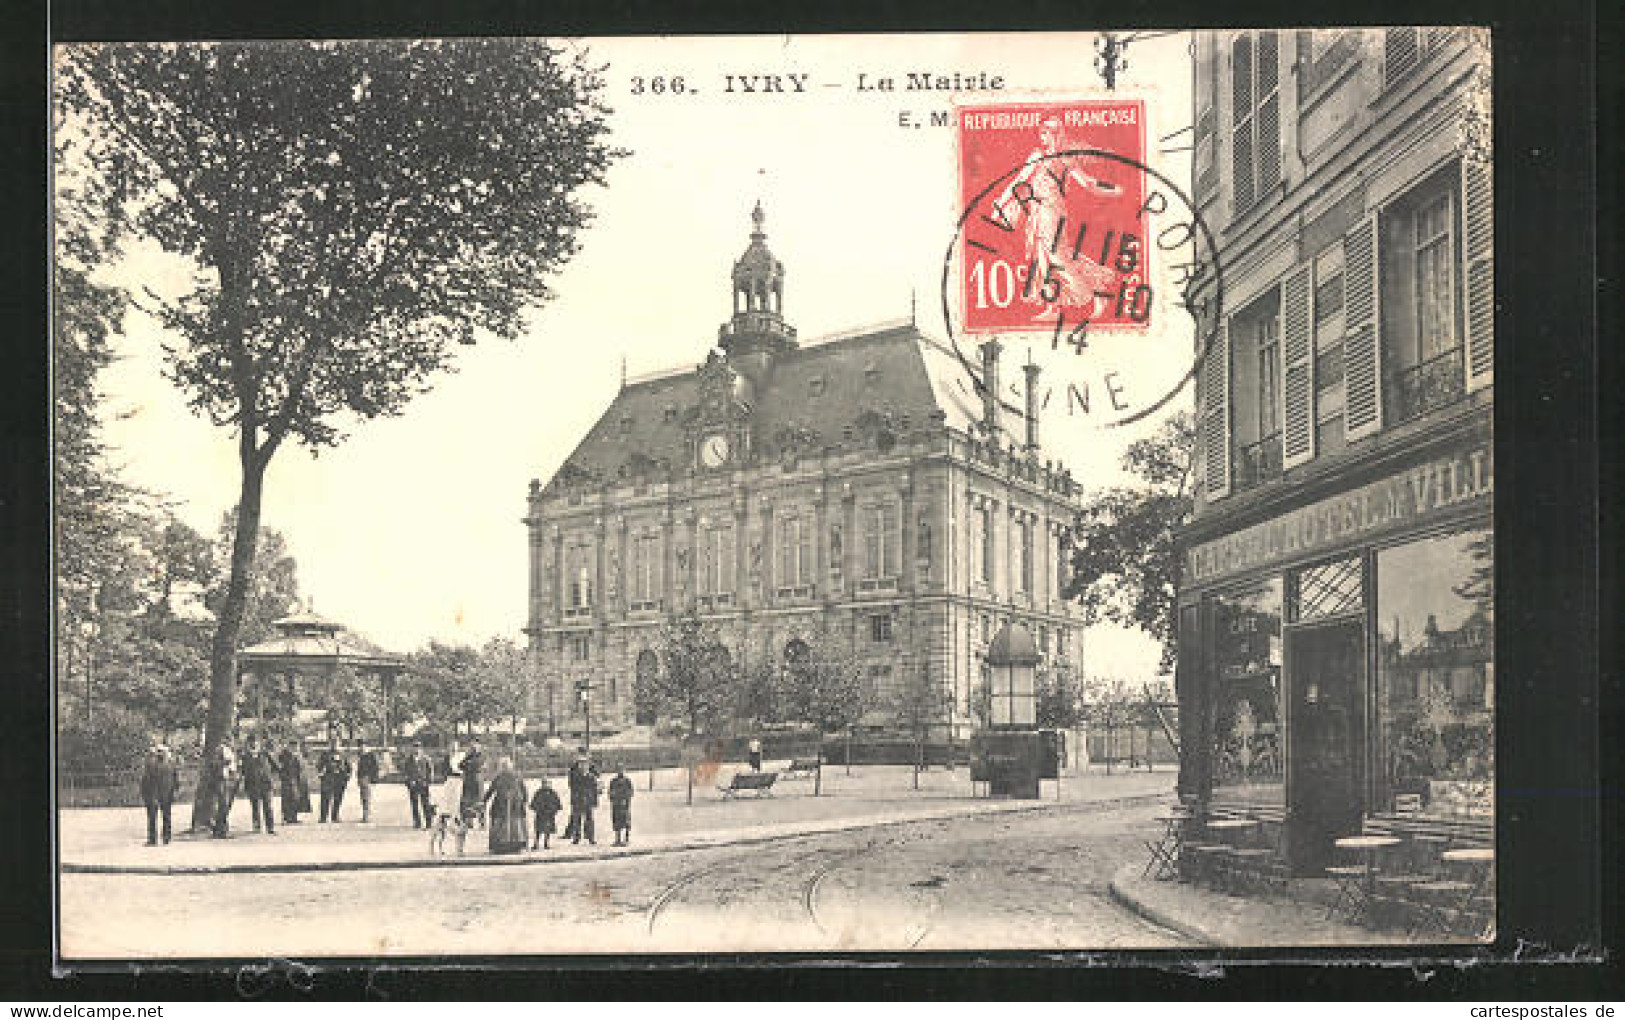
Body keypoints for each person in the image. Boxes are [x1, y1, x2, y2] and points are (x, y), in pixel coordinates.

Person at [482, 758, 529, 855]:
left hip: (510, 805)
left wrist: (484, 800)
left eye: (504, 766)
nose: (504, 768)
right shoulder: (513, 776)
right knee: (511, 824)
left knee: (512, 824)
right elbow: (524, 791)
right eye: (503, 766)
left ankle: (507, 846)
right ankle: (511, 846)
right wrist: (524, 801)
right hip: (507, 805)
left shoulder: (509, 776)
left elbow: (491, 790)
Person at [139, 743, 178, 846]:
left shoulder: (152, 765)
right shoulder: (170, 765)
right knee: (165, 816)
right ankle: (166, 838)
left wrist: (146, 794)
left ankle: (154, 839)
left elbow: (146, 781)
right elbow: (175, 781)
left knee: (154, 817)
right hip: (164, 795)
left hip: (155, 795)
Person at [241, 734, 279, 835]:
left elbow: (276, 767)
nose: (254, 744)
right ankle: (257, 827)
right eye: (251, 743)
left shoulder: (265, 754)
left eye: (256, 742)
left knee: (268, 806)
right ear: (248, 744)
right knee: (255, 806)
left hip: (265, 784)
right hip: (252, 785)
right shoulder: (245, 756)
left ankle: (270, 827)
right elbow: (242, 771)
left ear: (259, 743)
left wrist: (270, 777)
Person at [564, 754, 600, 846]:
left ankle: (591, 837)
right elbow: (572, 786)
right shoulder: (574, 775)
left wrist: (595, 801)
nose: (583, 766)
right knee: (577, 820)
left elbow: (595, 789)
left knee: (589, 819)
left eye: (585, 764)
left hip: (588, 800)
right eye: (581, 764)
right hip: (578, 800)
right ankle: (576, 838)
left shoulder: (591, 777)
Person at [209, 742, 240, 838]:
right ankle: (220, 830)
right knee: (223, 806)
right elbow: (216, 766)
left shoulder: (229, 750)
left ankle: (221, 829)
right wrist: (225, 763)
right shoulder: (220, 751)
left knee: (225, 806)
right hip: (221, 781)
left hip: (228, 780)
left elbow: (232, 766)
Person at [317, 739, 351, 822]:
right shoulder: (325, 754)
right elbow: (319, 765)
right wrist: (321, 774)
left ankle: (335, 816)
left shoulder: (343, 754)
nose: (334, 746)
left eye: (336, 744)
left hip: (339, 779)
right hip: (328, 778)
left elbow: (348, 766)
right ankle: (323, 817)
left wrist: (347, 776)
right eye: (332, 744)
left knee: (338, 798)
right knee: (325, 798)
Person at [403, 741, 434, 829]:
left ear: (421, 749)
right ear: (412, 749)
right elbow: (406, 772)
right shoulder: (408, 760)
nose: (416, 749)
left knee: (426, 804)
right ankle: (417, 822)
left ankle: (429, 822)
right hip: (413, 785)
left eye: (418, 748)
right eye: (415, 747)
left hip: (423, 784)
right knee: (414, 804)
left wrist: (428, 781)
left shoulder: (426, 759)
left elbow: (430, 771)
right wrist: (409, 781)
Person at [458, 740, 487, 827]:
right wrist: (467, 758)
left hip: (477, 782)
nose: (473, 749)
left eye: (475, 747)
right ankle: (469, 821)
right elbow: (460, 765)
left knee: (479, 802)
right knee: (467, 802)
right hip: (468, 781)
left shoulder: (481, 757)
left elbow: (476, 765)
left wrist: (468, 762)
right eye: (472, 747)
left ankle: (482, 822)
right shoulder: (468, 757)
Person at [530, 777, 562, 850]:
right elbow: (534, 804)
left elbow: (557, 804)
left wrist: (553, 810)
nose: (546, 785)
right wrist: (538, 809)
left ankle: (546, 843)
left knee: (547, 831)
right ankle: (536, 843)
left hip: (549, 815)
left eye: (547, 783)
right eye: (544, 783)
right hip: (540, 815)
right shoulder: (538, 793)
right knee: (538, 830)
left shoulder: (553, 793)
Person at [277, 743, 306, 824]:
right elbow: (281, 766)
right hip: (288, 779)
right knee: (288, 798)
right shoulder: (285, 755)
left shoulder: (295, 756)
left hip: (294, 779)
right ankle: (287, 817)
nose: (295, 748)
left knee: (294, 798)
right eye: (294, 747)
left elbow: (299, 767)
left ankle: (293, 817)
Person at [608, 765, 634, 846]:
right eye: (619, 770)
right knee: (616, 822)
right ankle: (617, 839)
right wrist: (613, 798)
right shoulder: (613, 781)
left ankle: (626, 839)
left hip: (624, 804)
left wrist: (625, 799)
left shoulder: (627, 781)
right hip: (616, 804)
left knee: (626, 821)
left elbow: (630, 792)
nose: (620, 771)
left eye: (622, 770)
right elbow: (610, 792)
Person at [356, 741, 380, 823]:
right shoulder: (361, 755)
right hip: (362, 778)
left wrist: (373, 779)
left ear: (367, 747)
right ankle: (365, 815)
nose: (362, 748)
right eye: (361, 746)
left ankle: (366, 816)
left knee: (366, 797)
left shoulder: (370, 755)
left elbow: (375, 767)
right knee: (363, 797)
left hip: (367, 778)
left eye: (364, 746)